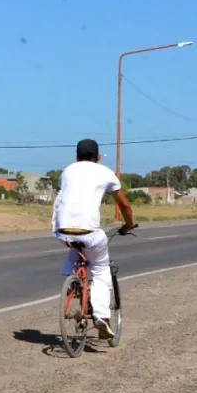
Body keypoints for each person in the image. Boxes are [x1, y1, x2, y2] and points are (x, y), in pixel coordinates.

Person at [52, 138, 137, 340]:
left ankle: (73, 282)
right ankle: (102, 318)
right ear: (98, 157)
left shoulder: (67, 171)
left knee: (76, 247)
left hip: (62, 230)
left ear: (76, 157)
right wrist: (128, 224)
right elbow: (124, 205)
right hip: (89, 231)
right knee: (100, 269)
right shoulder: (105, 172)